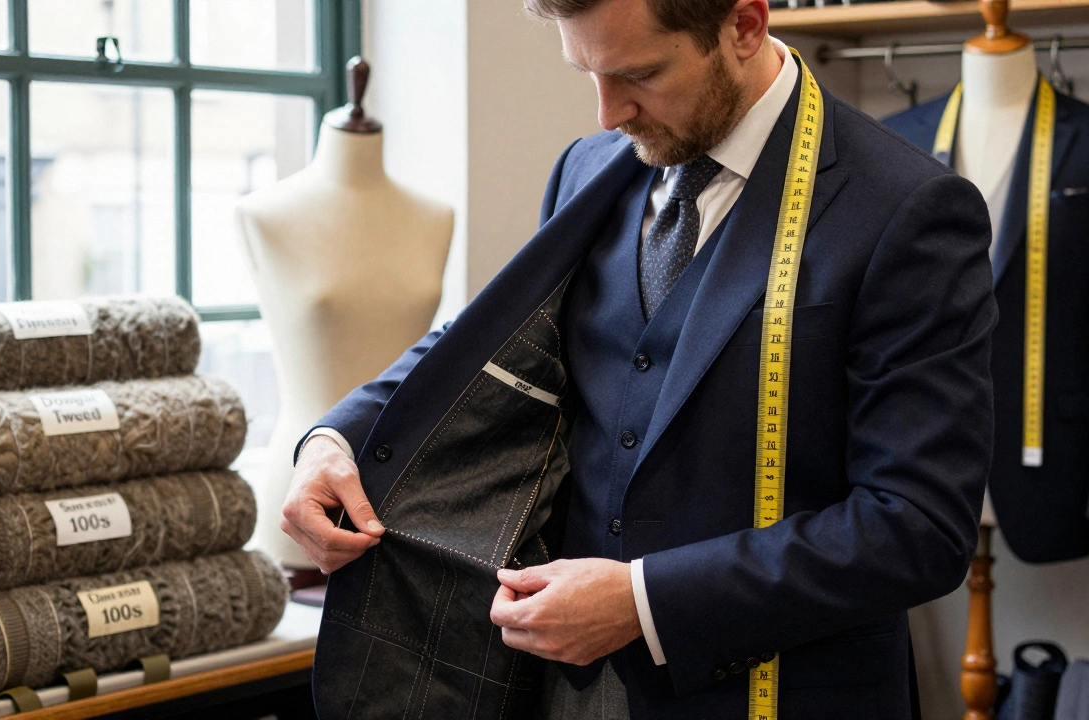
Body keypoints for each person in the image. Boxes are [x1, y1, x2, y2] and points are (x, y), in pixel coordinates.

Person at [282, 0, 997, 716]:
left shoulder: (907, 209)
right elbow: (490, 339)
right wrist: (337, 439)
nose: (607, 113)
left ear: (745, 26)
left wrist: (644, 602)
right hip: (568, 689)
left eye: (640, 74)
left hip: (777, 692)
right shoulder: (589, 167)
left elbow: (917, 526)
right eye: (586, 73)